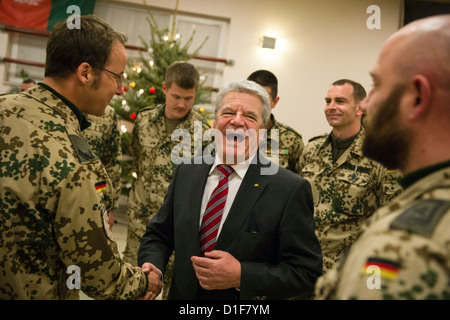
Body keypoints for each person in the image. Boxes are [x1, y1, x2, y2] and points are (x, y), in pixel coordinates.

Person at [0, 15, 161, 300]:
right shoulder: (74, 162)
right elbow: (99, 276)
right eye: (117, 77)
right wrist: (144, 283)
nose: (120, 89)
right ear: (86, 73)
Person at [138, 79, 323, 300]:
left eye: (250, 116)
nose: (237, 121)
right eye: (228, 113)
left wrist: (242, 276)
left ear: (262, 132)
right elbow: (159, 235)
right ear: (214, 123)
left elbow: (306, 273)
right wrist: (154, 267)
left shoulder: (289, 189)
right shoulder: (187, 171)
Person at [315, 14, 450, 300]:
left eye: (378, 85)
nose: (367, 102)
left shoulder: (412, 244)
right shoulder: (422, 199)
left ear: (417, 98)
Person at [123, 61, 210, 298]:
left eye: (189, 98)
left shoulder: (204, 133)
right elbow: (138, 161)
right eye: (176, 96)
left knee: (177, 292)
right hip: (140, 224)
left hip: (178, 230)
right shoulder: (142, 121)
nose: (182, 104)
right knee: (134, 290)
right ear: (164, 88)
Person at [298, 79, 402, 272]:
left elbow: (391, 217)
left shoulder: (379, 155)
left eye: (340, 101)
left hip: (346, 267)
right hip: (303, 262)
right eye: (328, 101)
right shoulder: (312, 149)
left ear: (360, 108)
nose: (331, 107)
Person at [247, 70, 304, 173]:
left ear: (275, 102)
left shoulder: (292, 140)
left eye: (263, 99)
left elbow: (298, 183)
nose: (255, 104)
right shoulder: (230, 133)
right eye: (250, 97)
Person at [81, 105, 123, 229]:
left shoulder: (107, 113)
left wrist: (109, 207)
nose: (120, 91)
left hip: (94, 205)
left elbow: (112, 162)